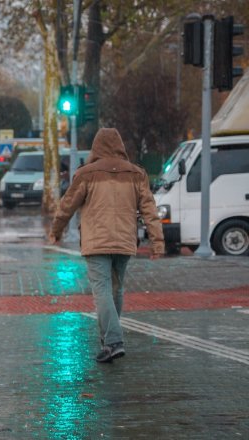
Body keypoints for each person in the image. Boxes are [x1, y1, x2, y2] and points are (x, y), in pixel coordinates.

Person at [49, 128, 164, 363]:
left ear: (96, 147)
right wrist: (157, 243)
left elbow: (67, 206)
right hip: (124, 240)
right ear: (120, 146)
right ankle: (109, 342)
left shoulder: (86, 173)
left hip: (97, 241)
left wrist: (55, 231)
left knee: (101, 290)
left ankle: (113, 341)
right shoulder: (136, 174)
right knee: (116, 289)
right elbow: (150, 211)